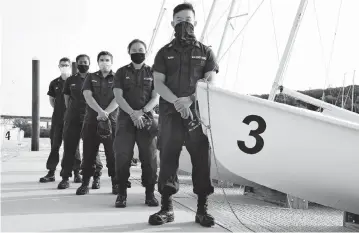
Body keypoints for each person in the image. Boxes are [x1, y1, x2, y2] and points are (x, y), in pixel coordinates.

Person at [148, 3, 219, 227]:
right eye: (179, 21)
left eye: (187, 20)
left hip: (197, 116)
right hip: (170, 115)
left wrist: (189, 100)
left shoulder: (206, 51)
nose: (183, 24)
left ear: (195, 23)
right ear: (172, 24)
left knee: (201, 160)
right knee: (168, 159)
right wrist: (177, 103)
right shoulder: (163, 53)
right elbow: (158, 84)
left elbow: (209, 81)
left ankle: (202, 209)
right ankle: (166, 208)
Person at [113, 39, 159, 208]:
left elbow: (156, 97)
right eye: (134, 49)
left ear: (146, 52)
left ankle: (150, 194)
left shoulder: (153, 72)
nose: (138, 52)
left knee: (150, 157)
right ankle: (121, 194)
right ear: (129, 52)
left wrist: (142, 112)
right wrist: (133, 114)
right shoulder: (120, 72)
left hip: (146, 120)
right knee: (122, 157)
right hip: (126, 120)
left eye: (141, 49)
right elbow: (118, 97)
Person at [58, 54, 103, 189]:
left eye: (85, 62)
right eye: (80, 62)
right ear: (76, 64)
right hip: (73, 117)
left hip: (90, 117)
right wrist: (71, 112)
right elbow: (67, 99)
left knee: (92, 149)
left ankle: (96, 177)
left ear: (90, 63)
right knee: (69, 148)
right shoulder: (70, 80)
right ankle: (65, 177)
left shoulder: (95, 78)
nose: (83, 64)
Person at [76, 51, 118, 195]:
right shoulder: (90, 77)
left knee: (113, 155)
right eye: (101, 60)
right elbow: (88, 96)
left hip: (111, 123)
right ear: (97, 62)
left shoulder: (118, 77)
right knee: (88, 154)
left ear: (111, 62)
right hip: (91, 122)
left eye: (107, 60)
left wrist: (106, 113)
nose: (104, 62)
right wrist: (100, 111)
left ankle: (115, 183)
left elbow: (118, 98)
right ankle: (85, 183)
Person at [39, 58, 82, 183]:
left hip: (72, 119)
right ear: (59, 66)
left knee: (75, 147)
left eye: (67, 65)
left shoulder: (75, 81)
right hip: (58, 119)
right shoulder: (54, 83)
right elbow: (52, 100)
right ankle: (51, 172)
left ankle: (76, 173)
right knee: (55, 145)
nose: (64, 66)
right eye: (62, 65)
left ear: (70, 66)